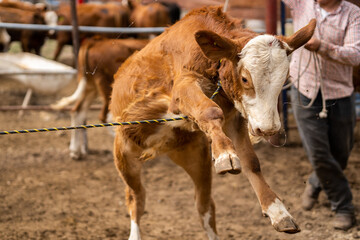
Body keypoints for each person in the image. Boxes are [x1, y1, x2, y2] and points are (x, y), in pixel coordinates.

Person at [282, 0, 360, 231]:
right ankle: (344, 207)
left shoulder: (353, 14)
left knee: (341, 154)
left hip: (340, 92)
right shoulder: (301, 3)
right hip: (304, 90)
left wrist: (321, 46)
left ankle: (316, 182)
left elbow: (356, 55)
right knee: (318, 153)